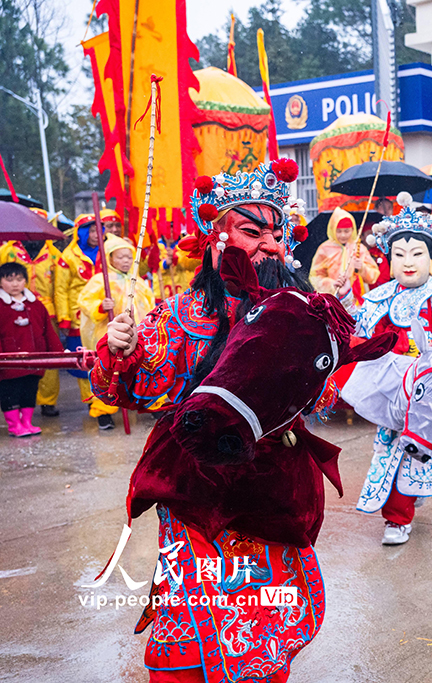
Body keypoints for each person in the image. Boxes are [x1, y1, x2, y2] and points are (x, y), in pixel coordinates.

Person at [90, 159, 360, 681]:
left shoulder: (301, 309)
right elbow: (117, 389)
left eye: (274, 233)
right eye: (249, 231)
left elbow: (323, 399)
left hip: (269, 491)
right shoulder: (178, 314)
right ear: (214, 238)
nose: (266, 245)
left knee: (259, 640)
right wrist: (117, 352)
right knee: (185, 644)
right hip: (195, 490)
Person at [356, 194, 432, 544]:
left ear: (431, 257)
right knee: (388, 446)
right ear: (389, 259)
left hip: (427, 391)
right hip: (388, 387)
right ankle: (402, 504)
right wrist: (344, 300)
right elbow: (357, 333)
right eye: (400, 255)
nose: (408, 263)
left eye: (417, 254)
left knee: (414, 446)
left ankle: (397, 517)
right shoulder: (379, 296)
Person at [77, 235, 156, 429]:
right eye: (120, 257)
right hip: (110, 333)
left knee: (141, 367)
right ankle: (103, 411)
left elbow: (149, 301)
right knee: (108, 370)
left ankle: (148, 402)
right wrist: (101, 306)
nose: (126, 261)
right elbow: (84, 302)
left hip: (136, 333)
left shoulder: (137, 280)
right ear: (109, 258)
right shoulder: (100, 280)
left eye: (129, 257)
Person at [0, 214, 63, 416]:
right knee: (14, 359)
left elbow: (60, 287)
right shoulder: (6, 251)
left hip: (43, 311)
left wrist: (64, 315)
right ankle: (17, 405)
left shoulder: (55, 255)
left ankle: (47, 401)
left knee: (47, 357)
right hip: (8, 310)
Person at [0, 262, 62, 436]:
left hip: (33, 358)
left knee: (29, 390)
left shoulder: (36, 304)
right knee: (10, 393)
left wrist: (55, 352)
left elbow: (47, 330)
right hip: (8, 362)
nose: (15, 284)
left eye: (19, 279)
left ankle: (27, 422)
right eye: (9, 280)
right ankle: (14, 425)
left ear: (25, 281)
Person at [54, 213, 105, 410]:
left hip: (103, 314)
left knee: (105, 356)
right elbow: (60, 289)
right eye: (91, 230)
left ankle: (107, 400)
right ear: (82, 233)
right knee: (85, 360)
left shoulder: (107, 250)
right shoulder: (68, 257)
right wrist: (64, 318)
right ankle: (93, 402)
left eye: (98, 230)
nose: (96, 234)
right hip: (78, 317)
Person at [309, 207, 380, 305]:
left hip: (358, 301)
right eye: (339, 231)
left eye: (346, 231)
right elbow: (315, 276)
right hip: (332, 300)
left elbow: (374, 276)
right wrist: (331, 284)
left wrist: (362, 268)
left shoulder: (360, 248)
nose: (343, 235)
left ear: (353, 230)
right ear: (333, 230)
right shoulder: (324, 249)